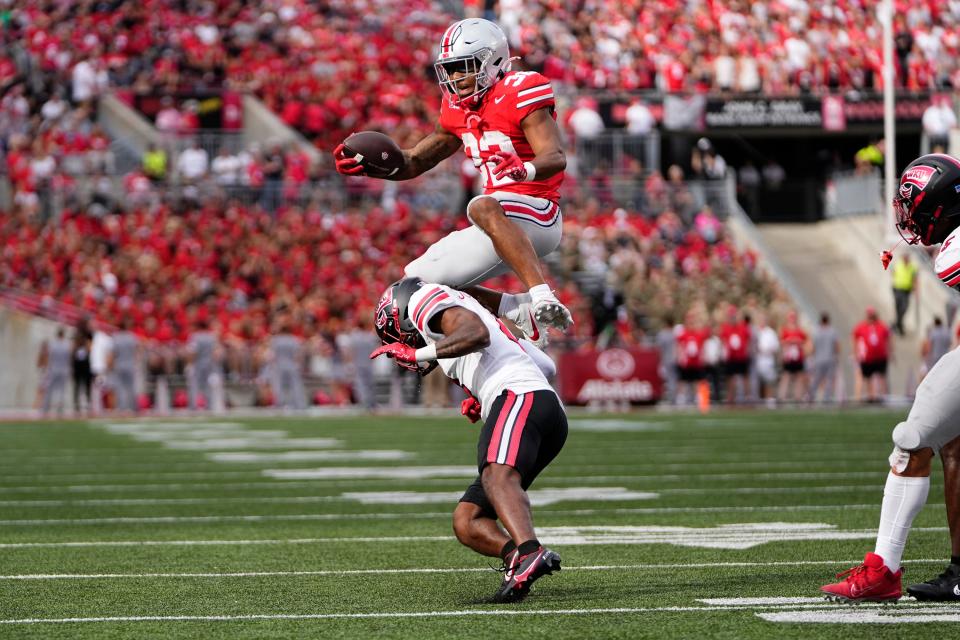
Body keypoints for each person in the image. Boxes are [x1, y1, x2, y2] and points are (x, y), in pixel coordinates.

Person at [333, 18, 573, 346]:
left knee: (481, 204)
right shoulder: (455, 108)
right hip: (496, 222)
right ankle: (516, 308)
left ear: (494, 61)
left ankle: (542, 295)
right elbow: (415, 160)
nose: (457, 77)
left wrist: (525, 170)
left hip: (538, 213)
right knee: (416, 284)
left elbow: (555, 156)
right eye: (451, 69)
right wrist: (373, 166)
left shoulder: (520, 89)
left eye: (465, 67)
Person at [369, 277, 566, 603]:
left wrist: (418, 353)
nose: (407, 342)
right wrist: (482, 392)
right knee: (468, 520)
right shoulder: (462, 318)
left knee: (496, 475)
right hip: (542, 408)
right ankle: (516, 558)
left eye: (400, 335)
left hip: (520, 396)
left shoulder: (426, 300)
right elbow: (547, 365)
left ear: (403, 313)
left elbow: (476, 334)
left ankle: (530, 552)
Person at [822, 153, 960, 603]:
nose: (912, 220)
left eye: (918, 209)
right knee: (950, 444)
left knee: (912, 438)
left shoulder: (954, 252)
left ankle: (884, 571)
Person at [852, 306, 890, 403]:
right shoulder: (861, 327)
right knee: (867, 377)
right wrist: (855, 352)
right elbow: (854, 339)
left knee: (881, 376)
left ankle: (883, 396)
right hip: (867, 357)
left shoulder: (881, 326)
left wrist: (890, 351)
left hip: (880, 356)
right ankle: (870, 396)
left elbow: (888, 339)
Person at [108, 318, 141, 412]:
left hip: (119, 365)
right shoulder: (132, 337)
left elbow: (113, 353)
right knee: (131, 387)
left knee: (120, 387)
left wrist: (110, 365)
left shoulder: (116, 337)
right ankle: (134, 407)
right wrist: (135, 361)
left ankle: (122, 408)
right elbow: (137, 350)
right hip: (130, 365)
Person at [807, 313, 840, 404]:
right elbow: (837, 346)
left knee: (816, 379)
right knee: (829, 379)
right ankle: (827, 398)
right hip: (830, 359)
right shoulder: (832, 331)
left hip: (818, 359)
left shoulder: (816, 331)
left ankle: (811, 396)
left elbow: (812, 347)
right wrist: (836, 356)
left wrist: (811, 357)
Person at [39, 327, 72, 416]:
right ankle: (60, 409)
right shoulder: (67, 345)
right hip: (64, 369)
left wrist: (46, 368)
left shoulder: (52, 344)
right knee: (61, 390)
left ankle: (45, 408)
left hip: (53, 369)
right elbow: (69, 358)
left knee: (49, 389)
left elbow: (48, 357)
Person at [777, 311, 809, 403]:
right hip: (789, 357)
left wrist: (798, 342)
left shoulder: (800, 330)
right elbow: (781, 342)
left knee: (799, 377)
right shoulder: (785, 330)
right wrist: (790, 341)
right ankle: (781, 398)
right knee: (786, 377)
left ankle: (798, 397)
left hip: (798, 357)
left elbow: (806, 341)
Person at [891, 253, 918, 335]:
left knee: (904, 308)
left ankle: (897, 323)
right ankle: (898, 324)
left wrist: (915, 288)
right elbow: (893, 272)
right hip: (897, 288)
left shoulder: (912, 267)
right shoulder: (898, 264)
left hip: (907, 290)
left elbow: (915, 278)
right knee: (898, 307)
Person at [920, 316, 951, 384]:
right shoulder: (946, 332)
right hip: (944, 355)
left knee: (933, 373)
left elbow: (929, 345)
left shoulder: (934, 333)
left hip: (935, 356)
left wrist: (927, 355)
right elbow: (949, 343)